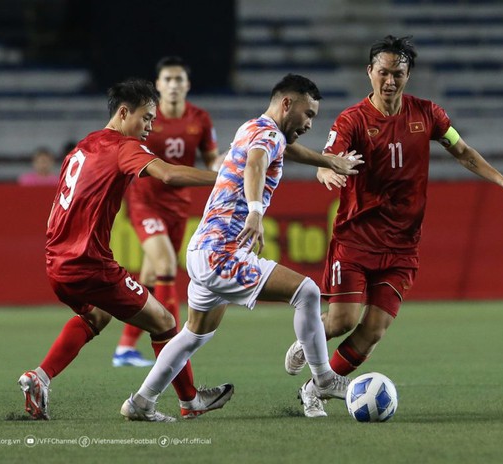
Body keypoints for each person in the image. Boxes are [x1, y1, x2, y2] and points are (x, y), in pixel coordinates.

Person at [283, 35, 503, 417]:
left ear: (408, 75)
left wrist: (500, 179)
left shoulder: (429, 114)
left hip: (402, 246)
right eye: (382, 72)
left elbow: (461, 150)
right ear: (370, 72)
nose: (389, 81)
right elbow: (329, 156)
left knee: (373, 331)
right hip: (356, 237)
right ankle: (311, 336)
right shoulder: (352, 119)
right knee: (343, 319)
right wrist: (326, 170)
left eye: (397, 73)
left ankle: (314, 389)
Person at [119, 73, 364, 421]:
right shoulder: (266, 137)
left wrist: (328, 161)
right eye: (308, 114)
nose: (311, 123)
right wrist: (254, 211)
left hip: (202, 250)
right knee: (307, 292)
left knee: (192, 336)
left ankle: (141, 402)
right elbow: (256, 163)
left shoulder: (255, 127)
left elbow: (281, 148)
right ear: (287, 104)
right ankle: (324, 378)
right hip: (223, 253)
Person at [17, 78, 233, 422]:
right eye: (146, 118)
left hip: (57, 262)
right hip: (89, 264)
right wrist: (225, 178)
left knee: (96, 316)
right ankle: (191, 401)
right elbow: (168, 174)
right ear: (123, 112)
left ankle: (39, 378)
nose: (150, 126)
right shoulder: (122, 146)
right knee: (164, 321)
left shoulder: (82, 147)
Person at [113, 56, 224, 368]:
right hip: (144, 202)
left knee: (149, 276)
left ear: (187, 85)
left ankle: (124, 348)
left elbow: (210, 158)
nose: (173, 85)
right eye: (167, 80)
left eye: (179, 80)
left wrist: (224, 165)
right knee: (165, 265)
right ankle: (175, 344)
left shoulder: (200, 118)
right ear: (158, 85)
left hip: (178, 206)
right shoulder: (147, 117)